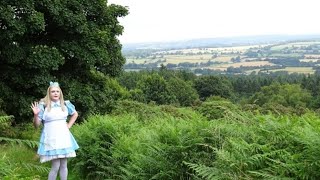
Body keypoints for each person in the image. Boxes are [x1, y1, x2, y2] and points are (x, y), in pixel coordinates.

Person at [31, 81, 79, 180]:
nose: (56, 93)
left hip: (64, 137)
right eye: (53, 91)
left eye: (57, 91)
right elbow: (36, 125)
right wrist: (36, 115)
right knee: (55, 165)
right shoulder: (43, 106)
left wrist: (69, 125)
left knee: (64, 165)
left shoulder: (65, 104)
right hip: (51, 138)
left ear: (60, 93)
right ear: (49, 93)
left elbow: (75, 114)